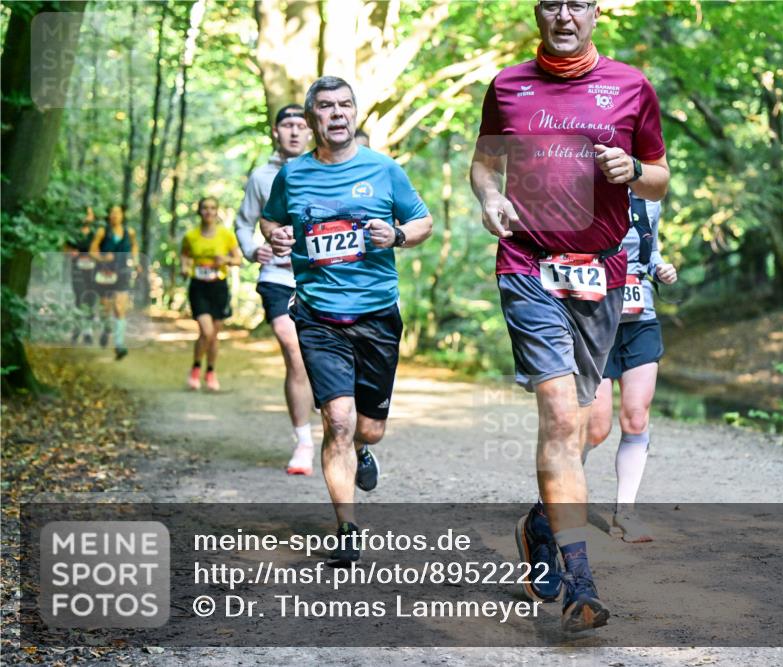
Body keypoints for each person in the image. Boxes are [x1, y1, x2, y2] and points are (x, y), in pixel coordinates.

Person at [470, 0, 668, 632]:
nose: (564, 15)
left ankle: (539, 523)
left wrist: (634, 170)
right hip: (527, 264)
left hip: (602, 275)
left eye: (577, 3)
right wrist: (490, 197)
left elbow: (660, 179)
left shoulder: (631, 86)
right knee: (559, 415)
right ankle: (581, 585)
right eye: (552, 3)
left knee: (589, 428)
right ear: (537, 11)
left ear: (595, 13)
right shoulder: (508, 86)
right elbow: (484, 164)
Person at [262, 76, 432, 565]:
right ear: (312, 117)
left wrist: (396, 236)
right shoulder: (293, 175)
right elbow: (271, 219)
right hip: (318, 315)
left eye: (345, 105)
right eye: (326, 106)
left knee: (368, 429)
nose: (337, 113)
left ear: (355, 114)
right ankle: (347, 527)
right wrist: (276, 236)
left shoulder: (384, 169)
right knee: (337, 419)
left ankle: (363, 449)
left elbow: (422, 222)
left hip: (377, 314)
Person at [584, 192, 677, 543]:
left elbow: (650, 253)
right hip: (594, 319)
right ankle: (559, 496)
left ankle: (625, 513)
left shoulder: (648, 200)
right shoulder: (583, 191)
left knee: (637, 416)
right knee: (596, 426)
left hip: (640, 320)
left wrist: (660, 269)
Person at [235, 104, 318, 474]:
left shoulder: (325, 170)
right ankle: (304, 442)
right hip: (277, 277)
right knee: (293, 347)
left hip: (319, 279)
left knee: (318, 356)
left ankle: (334, 416)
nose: (295, 131)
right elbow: (243, 223)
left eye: (301, 125)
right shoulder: (261, 177)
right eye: (287, 125)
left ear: (311, 130)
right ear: (275, 131)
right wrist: (254, 249)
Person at [180, 197, 241, 392]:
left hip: (219, 287)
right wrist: (184, 267)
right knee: (206, 331)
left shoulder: (226, 235)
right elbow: (184, 255)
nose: (208, 211)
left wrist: (226, 260)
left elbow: (238, 259)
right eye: (205, 208)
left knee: (213, 336)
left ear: (217, 212)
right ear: (199, 211)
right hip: (198, 287)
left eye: (212, 208)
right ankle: (196, 368)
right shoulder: (191, 236)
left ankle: (210, 372)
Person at [89, 205, 140, 360]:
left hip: (123, 273)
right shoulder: (102, 232)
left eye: (118, 212)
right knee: (105, 308)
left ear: (122, 215)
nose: (115, 215)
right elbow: (92, 251)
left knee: (119, 307)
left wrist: (136, 262)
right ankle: (106, 328)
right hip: (105, 273)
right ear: (109, 215)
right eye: (112, 212)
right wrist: (103, 258)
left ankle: (119, 345)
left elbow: (134, 246)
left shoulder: (129, 232)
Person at [65, 206, 98, 344]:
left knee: (90, 298)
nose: (87, 217)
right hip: (77, 270)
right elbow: (66, 249)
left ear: (93, 217)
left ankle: (88, 332)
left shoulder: (96, 234)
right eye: (85, 214)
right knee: (79, 297)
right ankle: (77, 329)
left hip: (92, 271)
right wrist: (72, 253)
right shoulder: (74, 233)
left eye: (90, 214)